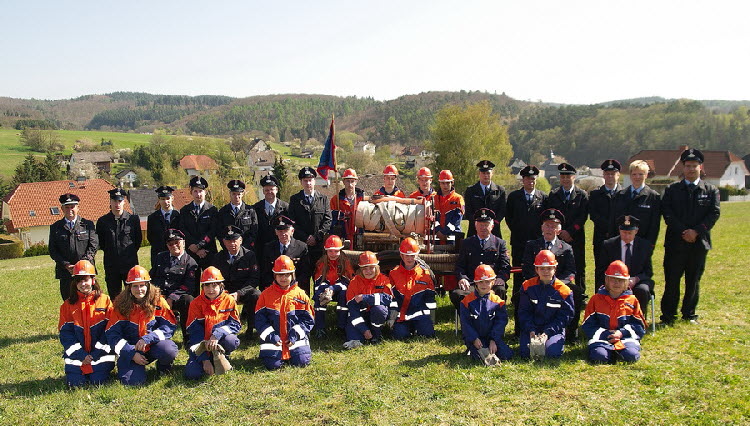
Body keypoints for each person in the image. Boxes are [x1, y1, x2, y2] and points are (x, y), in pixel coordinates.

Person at [661, 148, 720, 325]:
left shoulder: (710, 190)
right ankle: (668, 316)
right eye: (688, 166)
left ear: (701, 167)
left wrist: (696, 231)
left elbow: (714, 214)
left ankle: (689, 314)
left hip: (699, 243)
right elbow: (667, 212)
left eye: (695, 166)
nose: (691, 169)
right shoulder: (672, 189)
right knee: (672, 281)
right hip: (675, 243)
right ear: (683, 167)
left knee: (693, 280)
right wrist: (683, 231)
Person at [106, 265, 178, 386]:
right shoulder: (120, 306)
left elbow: (169, 325)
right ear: (129, 288)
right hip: (131, 350)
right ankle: (132, 367)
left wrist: (148, 338)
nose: (139, 289)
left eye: (142, 285)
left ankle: (163, 367)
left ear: (148, 285)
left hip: (152, 346)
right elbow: (112, 335)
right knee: (132, 382)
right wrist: (131, 353)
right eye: (135, 286)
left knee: (169, 349)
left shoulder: (158, 301)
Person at [521, 208, 581, 340]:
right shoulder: (532, 245)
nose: (549, 229)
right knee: (522, 293)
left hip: (558, 285)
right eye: (547, 225)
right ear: (542, 227)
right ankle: (522, 330)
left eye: (553, 226)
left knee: (575, 292)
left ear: (559, 230)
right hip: (537, 283)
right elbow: (527, 268)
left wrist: (557, 284)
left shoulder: (566, 248)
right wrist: (540, 280)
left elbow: (571, 271)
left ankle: (570, 332)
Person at [58, 260, 115, 387]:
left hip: (101, 354)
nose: (83, 284)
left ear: (93, 280)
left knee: (98, 382)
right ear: (75, 283)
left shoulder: (105, 301)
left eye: (86, 280)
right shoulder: (67, 305)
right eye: (79, 280)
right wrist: (82, 355)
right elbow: (66, 335)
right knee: (75, 384)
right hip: (77, 356)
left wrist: (95, 354)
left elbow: (110, 330)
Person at [255, 255, 315, 370]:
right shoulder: (265, 295)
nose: (283, 278)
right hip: (273, 338)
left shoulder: (301, 295)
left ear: (292, 275)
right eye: (280, 275)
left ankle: (296, 353)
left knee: (302, 362)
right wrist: (272, 337)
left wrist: (294, 336)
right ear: (275, 276)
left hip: (295, 338)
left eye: (287, 274)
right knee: (273, 366)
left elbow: (308, 319)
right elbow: (259, 320)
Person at [582, 260, 647, 364]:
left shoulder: (632, 300)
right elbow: (587, 325)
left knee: (631, 356)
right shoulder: (596, 299)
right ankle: (607, 352)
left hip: (625, 338)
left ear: (626, 282)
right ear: (606, 280)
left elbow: (639, 325)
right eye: (613, 279)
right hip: (601, 338)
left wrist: (621, 333)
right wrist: (606, 334)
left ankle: (619, 351)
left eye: (620, 280)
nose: (617, 283)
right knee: (599, 357)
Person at [184, 266, 241, 379]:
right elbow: (194, 333)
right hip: (201, 345)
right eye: (207, 285)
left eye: (214, 285)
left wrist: (217, 334)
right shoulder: (195, 304)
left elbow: (235, 324)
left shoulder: (229, 300)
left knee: (232, 341)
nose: (210, 289)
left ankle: (222, 354)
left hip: (219, 341)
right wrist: (204, 360)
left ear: (221, 285)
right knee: (192, 375)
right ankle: (207, 359)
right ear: (202, 286)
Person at [505, 165, 547, 313]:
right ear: (523, 180)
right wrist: (518, 230)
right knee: (518, 270)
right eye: (528, 179)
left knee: (537, 271)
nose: (531, 182)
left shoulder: (543, 197)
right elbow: (509, 217)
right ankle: (517, 297)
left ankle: (536, 297)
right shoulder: (514, 197)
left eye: (533, 179)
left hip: (537, 242)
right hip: (519, 241)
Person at [518, 250, 575, 359]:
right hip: (532, 328)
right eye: (542, 268)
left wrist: (548, 332)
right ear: (536, 269)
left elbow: (565, 317)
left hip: (553, 329)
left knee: (551, 353)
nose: (545, 272)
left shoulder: (564, 291)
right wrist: (531, 330)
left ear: (555, 268)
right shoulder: (527, 286)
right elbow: (523, 312)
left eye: (549, 268)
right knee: (526, 353)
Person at [452, 208, 511, 308]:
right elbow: (459, 266)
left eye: (486, 225)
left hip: (492, 282)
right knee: (457, 294)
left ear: (492, 226)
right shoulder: (467, 243)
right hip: (472, 282)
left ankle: (495, 319)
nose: (483, 228)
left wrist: (501, 277)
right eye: (480, 225)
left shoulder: (499, 243)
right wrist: (462, 278)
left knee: (500, 290)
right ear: (475, 226)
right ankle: (469, 319)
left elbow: (505, 266)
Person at [211, 225, 261, 340]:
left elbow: (254, 279)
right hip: (224, 292)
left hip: (243, 291)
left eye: (235, 240)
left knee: (256, 295)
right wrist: (224, 293)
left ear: (240, 240)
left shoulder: (250, 255)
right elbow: (215, 280)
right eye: (228, 241)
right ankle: (217, 328)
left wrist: (239, 293)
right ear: (223, 242)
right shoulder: (218, 257)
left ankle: (251, 328)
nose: (232, 244)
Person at [546, 163, 589, 292]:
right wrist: (560, 231)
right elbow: (551, 214)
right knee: (559, 263)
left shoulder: (582, 195)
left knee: (579, 265)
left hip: (576, 236)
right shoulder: (554, 195)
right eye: (563, 176)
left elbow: (583, 216)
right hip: (558, 236)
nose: (565, 179)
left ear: (574, 177)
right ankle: (557, 290)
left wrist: (570, 231)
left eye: (568, 176)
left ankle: (581, 293)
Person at [460, 265, 514, 362]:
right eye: (480, 282)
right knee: (481, 357)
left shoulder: (498, 302)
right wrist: (474, 339)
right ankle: (472, 349)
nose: (483, 285)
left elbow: (501, 322)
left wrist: (493, 340)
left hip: (492, 337)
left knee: (506, 355)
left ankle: (496, 346)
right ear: (475, 282)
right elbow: (466, 324)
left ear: (493, 282)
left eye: (487, 282)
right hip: (476, 339)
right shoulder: (466, 302)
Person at [49, 193, 98, 300]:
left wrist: (82, 264)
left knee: (91, 301)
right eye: (67, 207)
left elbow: (93, 246)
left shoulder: (88, 225)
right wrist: (66, 265)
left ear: (78, 208)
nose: (70, 210)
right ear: (62, 208)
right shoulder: (55, 227)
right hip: (66, 273)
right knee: (69, 302)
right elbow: (53, 250)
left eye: (72, 207)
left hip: (86, 272)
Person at [150, 229, 198, 338]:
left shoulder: (191, 262)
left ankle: (188, 337)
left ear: (184, 243)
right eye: (170, 244)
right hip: (158, 295)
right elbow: (152, 276)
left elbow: (188, 286)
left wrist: (171, 298)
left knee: (188, 300)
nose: (174, 246)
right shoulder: (160, 257)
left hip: (177, 298)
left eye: (177, 242)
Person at [599, 215, 654, 310]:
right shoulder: (609, 245)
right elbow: (601, 269)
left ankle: (639, 319)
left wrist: (636, 279)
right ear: (619, 230)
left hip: (637, 281)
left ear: (636, 231)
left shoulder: (645, 246)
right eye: (624, 232)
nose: (627, 236)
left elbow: (648, 271)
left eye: (630, 233)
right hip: (614, 280)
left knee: (642, 290)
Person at [96, 188, 142, 299]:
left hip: (129, 264)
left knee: (132, 296)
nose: (117, 204)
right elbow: (101, 243)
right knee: (114, 297)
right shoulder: (102, 221)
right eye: (114, 201)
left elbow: (137, 241)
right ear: (110, 202)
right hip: (111, 265)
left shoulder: (133, 219)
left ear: (124, 202)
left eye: (120, 201)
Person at [388, 238, 437, 339]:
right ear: (401, 255)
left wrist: (431, 320)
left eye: (412, 255)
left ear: (417, 255)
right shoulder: (394, 274)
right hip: (402, 315)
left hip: (420, 314)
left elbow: (430, 299)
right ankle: (405, 328)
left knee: (427, 334)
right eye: (407, 255)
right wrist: (392, 318)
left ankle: (420, 327)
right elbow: (392, 299)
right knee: (400, 336)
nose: (410, 259)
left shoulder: (425, 274)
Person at [288, 166, 332, 279]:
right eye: (305, 180)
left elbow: (328, 220)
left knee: (320, 277)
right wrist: (306, 238)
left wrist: (316, 237)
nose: (308, 183)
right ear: (301, 182)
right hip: (301, 246)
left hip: (319, 246)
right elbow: (292, 222)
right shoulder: (295, 200)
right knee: (303, 278)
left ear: (314, 181)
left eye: (310, 180)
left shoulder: (323, 198)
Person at [344, 251, 393, 348]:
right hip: (360, 317)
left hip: (376, 316)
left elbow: (388, 299)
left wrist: (365, 297)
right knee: (354, 340)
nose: (368, 271)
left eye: (371, 268)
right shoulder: (354, 282)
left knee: (379, 309)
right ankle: (366, 332)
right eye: (365, 268)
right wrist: (363, 329)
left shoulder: (384, 279)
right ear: (360, 269)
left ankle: (377, 334)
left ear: (377, 267)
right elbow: (353, 310)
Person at [311, 235, 355, 338]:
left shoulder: (345, 262)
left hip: (340, 291)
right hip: (325, 290)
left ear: (340, 250)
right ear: (326, 251)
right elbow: (317, 280)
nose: (333, 254)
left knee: (344, 296)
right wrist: (326, 289)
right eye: (330, 251)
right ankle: (320, 328)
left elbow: (348, 281)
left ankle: (341, 327)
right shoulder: (321, 262)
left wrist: (333, 289)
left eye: (336, 251)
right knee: (318, 296)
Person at [612, 160, 661, 248]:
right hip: (621, 242)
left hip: (642, 243)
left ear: (646, 175)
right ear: (630, 175)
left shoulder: (653, 197)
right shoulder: (620, 195)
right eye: (634, 174)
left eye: (641, 174)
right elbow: (614, 220)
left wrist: (650, 244)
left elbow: (654, 225)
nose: (637, 177)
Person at [589, 159, 622, 286]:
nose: (610, 176)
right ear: (603, 175)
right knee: (601, 269)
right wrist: (608, 228)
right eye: (607, 174)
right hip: (601, 238)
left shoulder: (623, 194)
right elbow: (594, 215)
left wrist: (616, 229)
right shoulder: (595, 194)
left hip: (619, 237)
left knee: (618, 268)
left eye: (612, 174)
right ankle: (600, 298)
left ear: (618, 175)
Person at [261, 216, 311, 291]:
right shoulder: (269, 248)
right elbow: (266, 272)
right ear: (276, 232)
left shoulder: (301, 247)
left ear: (292, 231)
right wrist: (277, 285)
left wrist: (292, 285)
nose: (283, 234)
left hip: (296, 288)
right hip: (275, 288)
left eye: (286, 230)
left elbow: (305, 273)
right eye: (280, 231)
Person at [179, 176, 219, 270]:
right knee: (192, 283)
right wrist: (193, 247)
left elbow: (213, 231)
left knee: (210, 281)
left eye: (200, 191)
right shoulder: (185, 211)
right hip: (191, 252)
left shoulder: (212, 210)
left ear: (205, 192)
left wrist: (199, 246)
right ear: (191, 192)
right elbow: (183, 230)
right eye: (195, 191)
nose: (198, 194)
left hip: (208, 252)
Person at [463, 160, 507, 239]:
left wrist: (495, 222)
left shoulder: (500, 191)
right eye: (483, 173)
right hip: (475, 230)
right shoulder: (471, 190)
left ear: (492, 173)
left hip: (494, 230)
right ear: (479, 174)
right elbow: (468, 211)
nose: (486, 176)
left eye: (488, 173)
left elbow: (502, 210)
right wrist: (478, 224)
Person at [252, 175, 289, 262]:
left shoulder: (286, 207)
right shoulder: (255, 208)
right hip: (261, 248)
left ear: (276, 190)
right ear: (263, 191)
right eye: (266, 190)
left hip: (279, 247)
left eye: (272, 189)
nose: (269, 192)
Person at [216, 180, 259, 251]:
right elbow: (219, 233)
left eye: (239, 194)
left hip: (247, 251)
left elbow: (254, 232)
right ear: (230, 194)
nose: (236, 196)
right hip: (229, 251)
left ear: (243, 194)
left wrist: (243, 249)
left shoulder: (250, 211)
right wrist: (228, 247)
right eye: (234, 194)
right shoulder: (223, 212)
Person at [147, 186, 180, 267]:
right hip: (158, 256)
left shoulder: (179, 216)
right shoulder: (152, 218)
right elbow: (150, 237)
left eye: (168, 198)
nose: (166, 202)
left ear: (172, 198)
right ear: (159, 200)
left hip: (176, 255)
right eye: (162, 199)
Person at [330, 168, 365, 241]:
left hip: (360, 235)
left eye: (352, 181)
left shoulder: (363, 199)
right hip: (342, 235)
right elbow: (331, 220)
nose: (350, 184)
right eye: (347, 181)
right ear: (343, 182)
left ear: (356, 182)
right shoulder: (336, 200)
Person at [433, 170, 465, 243]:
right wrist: (438, 230)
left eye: (447, 183)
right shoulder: (434, 198)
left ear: (452, 182)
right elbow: (432, 217)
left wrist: (445, 232)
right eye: (443, 183)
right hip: (437, 236)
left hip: (453, 235)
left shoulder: (458, 199)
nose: (445, 186)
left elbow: (457, 220)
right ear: (439, 183)